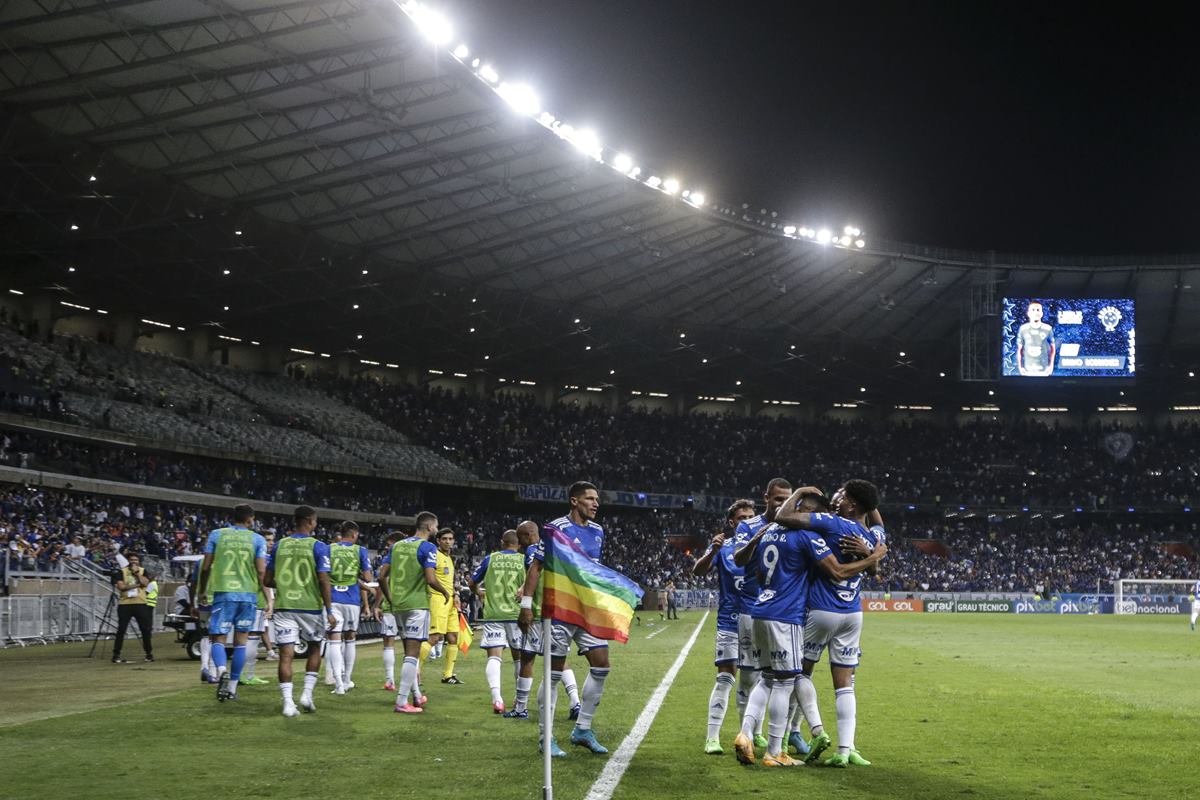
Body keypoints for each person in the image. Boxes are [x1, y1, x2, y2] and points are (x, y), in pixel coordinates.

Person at [732, 489, 886, 767]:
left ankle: (746, 733)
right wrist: (872, 559)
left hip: (760, 609)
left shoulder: (768, 532)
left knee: (767, 678)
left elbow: (754, 570)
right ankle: (777, 750)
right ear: (808, 512)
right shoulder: (811, 535)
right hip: (789, 615)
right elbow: (838, 570)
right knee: (787, 681)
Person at [774, 480, 889, 767]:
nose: (834, 498)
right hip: (853, 614)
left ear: (851, 504)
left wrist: (800, 492)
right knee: (845, 685)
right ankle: (844, 749)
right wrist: (872, 554)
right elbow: (876, 521)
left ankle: (792, 736)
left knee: (798, 674)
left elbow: (783, 517)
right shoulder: (874, 537)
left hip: (821, 610)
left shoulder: (832, 523)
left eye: (841, 495)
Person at [518, 481, 612, 756]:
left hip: (586, 610)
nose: (596, 503)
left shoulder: (597, 531)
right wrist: (526, 605)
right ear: (574, 501)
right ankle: (545, 738)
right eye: (590, 499)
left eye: (597, 499)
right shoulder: (556, 529)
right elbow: (536, 566)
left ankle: (582, 729)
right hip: (559, 610)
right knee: (554, 673)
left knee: (602, 665)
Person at [729, 477, 794, 750]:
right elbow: (738, 559)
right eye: (778, 499)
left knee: (775, 676)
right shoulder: (748, 526)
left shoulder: (794, 524)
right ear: (765, 497)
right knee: (749, 676)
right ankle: (747, 729)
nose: (783, 504)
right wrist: (757, 538)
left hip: (781, 611)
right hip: (750, 610)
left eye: (788, 500)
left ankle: (756, 733)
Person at [691, 499, 755, 755]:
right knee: (726, 677)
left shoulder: (761, 545)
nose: (747, 521)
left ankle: (747, 734)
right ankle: (712, 737)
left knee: (750, 681)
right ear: (731, 522)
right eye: (742, 518)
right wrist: (712, 552)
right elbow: (697, 571)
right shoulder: (723, 546)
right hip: (729, 621)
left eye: (751, 517)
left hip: (756, 621)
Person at [377, 511, 451, 714]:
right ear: (429, 527)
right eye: (436, 527)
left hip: (398, 605)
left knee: (409, 653)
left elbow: (381, 576)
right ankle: (402, 701)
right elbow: (430, 579)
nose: (436, 530)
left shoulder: (397, 546)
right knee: (412, 654)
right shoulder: (428, 547)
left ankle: (416, 695)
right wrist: (445, 592)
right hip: (417, 605)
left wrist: (390, 598)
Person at [265, 505, 334, 717]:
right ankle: (306, 694)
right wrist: (329, 609)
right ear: (310, 522)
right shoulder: (319, 546)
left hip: (285, 606)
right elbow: (323, 580)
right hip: (310, 607)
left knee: (286, 655)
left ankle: (288, 703)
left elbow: (267, 579)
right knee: (314, 648)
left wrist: (287, 586)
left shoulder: (279, 546)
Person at [198, 503, 267, 701]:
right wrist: (268, 597)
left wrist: (203, 590)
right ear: (250, 519)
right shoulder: (257, 539)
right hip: (248, 595)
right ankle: (233, 688)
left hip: (223, 593)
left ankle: (220, 670)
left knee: (218, 639)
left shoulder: (217, 535)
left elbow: (206, 567)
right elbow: (261, 571)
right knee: (241, 643)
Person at [470, 528, 525, 713]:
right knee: (519, 658)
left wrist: (479, 593)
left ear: (502, 542)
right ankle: (519, 698)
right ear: (519, 544)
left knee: (494, 656)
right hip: (517, 615)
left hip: (494, 614)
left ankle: (497, 700)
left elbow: (472, 582)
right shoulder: (524, 560)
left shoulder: (490, 558)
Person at [326, 521, 373, 694]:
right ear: (354, 534)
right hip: (351, 599)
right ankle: (347, 680)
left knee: (334, 640)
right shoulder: (359, 550)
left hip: (332, 598)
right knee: (350, 639)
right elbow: (368, 577)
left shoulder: (329, 548)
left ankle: (337, 683)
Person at [424, 527, 462, 687]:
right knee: (434, 638)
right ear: (438, 541)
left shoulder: (449, 558)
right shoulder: (435, 556)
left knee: (454, 637)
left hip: (451, 601)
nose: (447, 541)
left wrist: (455, 595)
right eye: (444, 539)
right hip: (438, 599)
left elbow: (449, 581)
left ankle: (448, 675)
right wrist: (446, 594)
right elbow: (430, 578)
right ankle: (415, 671)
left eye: (450, 539)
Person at [112, 553, 154, 664]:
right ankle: (116, 654)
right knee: (121, 630)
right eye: (132, 560)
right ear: (128, 561)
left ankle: (149, 653)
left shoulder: (143, 571)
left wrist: (137, 574)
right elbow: (121, 587)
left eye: (136, 560)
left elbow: (145, 582)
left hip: (140, 602)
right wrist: (137, 585)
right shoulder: (122, 572)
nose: (134, 562)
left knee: (145, 629)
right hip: (125, 604)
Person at [1016, 300, 1056, 376]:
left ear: (1041, 313)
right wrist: (1020, 367)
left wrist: (1051, 366)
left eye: (1038, 310)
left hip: (1043, 371)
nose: (1036, 312)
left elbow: (1052, 349)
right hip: (1028, 372)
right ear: (1028, 313)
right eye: (1033, 310)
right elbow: (1019, 350)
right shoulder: (1023, 329)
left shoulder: (1048, 328)